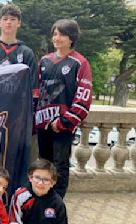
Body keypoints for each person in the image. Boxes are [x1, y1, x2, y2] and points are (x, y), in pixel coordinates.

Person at [35, 19, 92, 198]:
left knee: (60, 165)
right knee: (43, 163)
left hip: (63, 125)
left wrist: (64, 121)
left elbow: (83, 98)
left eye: (61, 34)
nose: (56, 38)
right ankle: (42, 198)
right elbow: (36, 92)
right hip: (43, 123)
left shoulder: (80, 63)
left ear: (72, 38)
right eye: (55, 34)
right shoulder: (44, 61)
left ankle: (57, 201)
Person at [0, 3, 38, 97]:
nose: (9, 22)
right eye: (5, 19)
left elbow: (33, 87)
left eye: (13, 19)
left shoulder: (27, 53)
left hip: (17, 105)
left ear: (19, 23)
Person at [9, 159, 68, 224]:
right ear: (30, 177)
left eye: (46, 180)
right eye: (37, 178)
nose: (40, 183)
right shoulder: (20, 196)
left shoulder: (57, 203)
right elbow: (14, 223)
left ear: (52, 183)